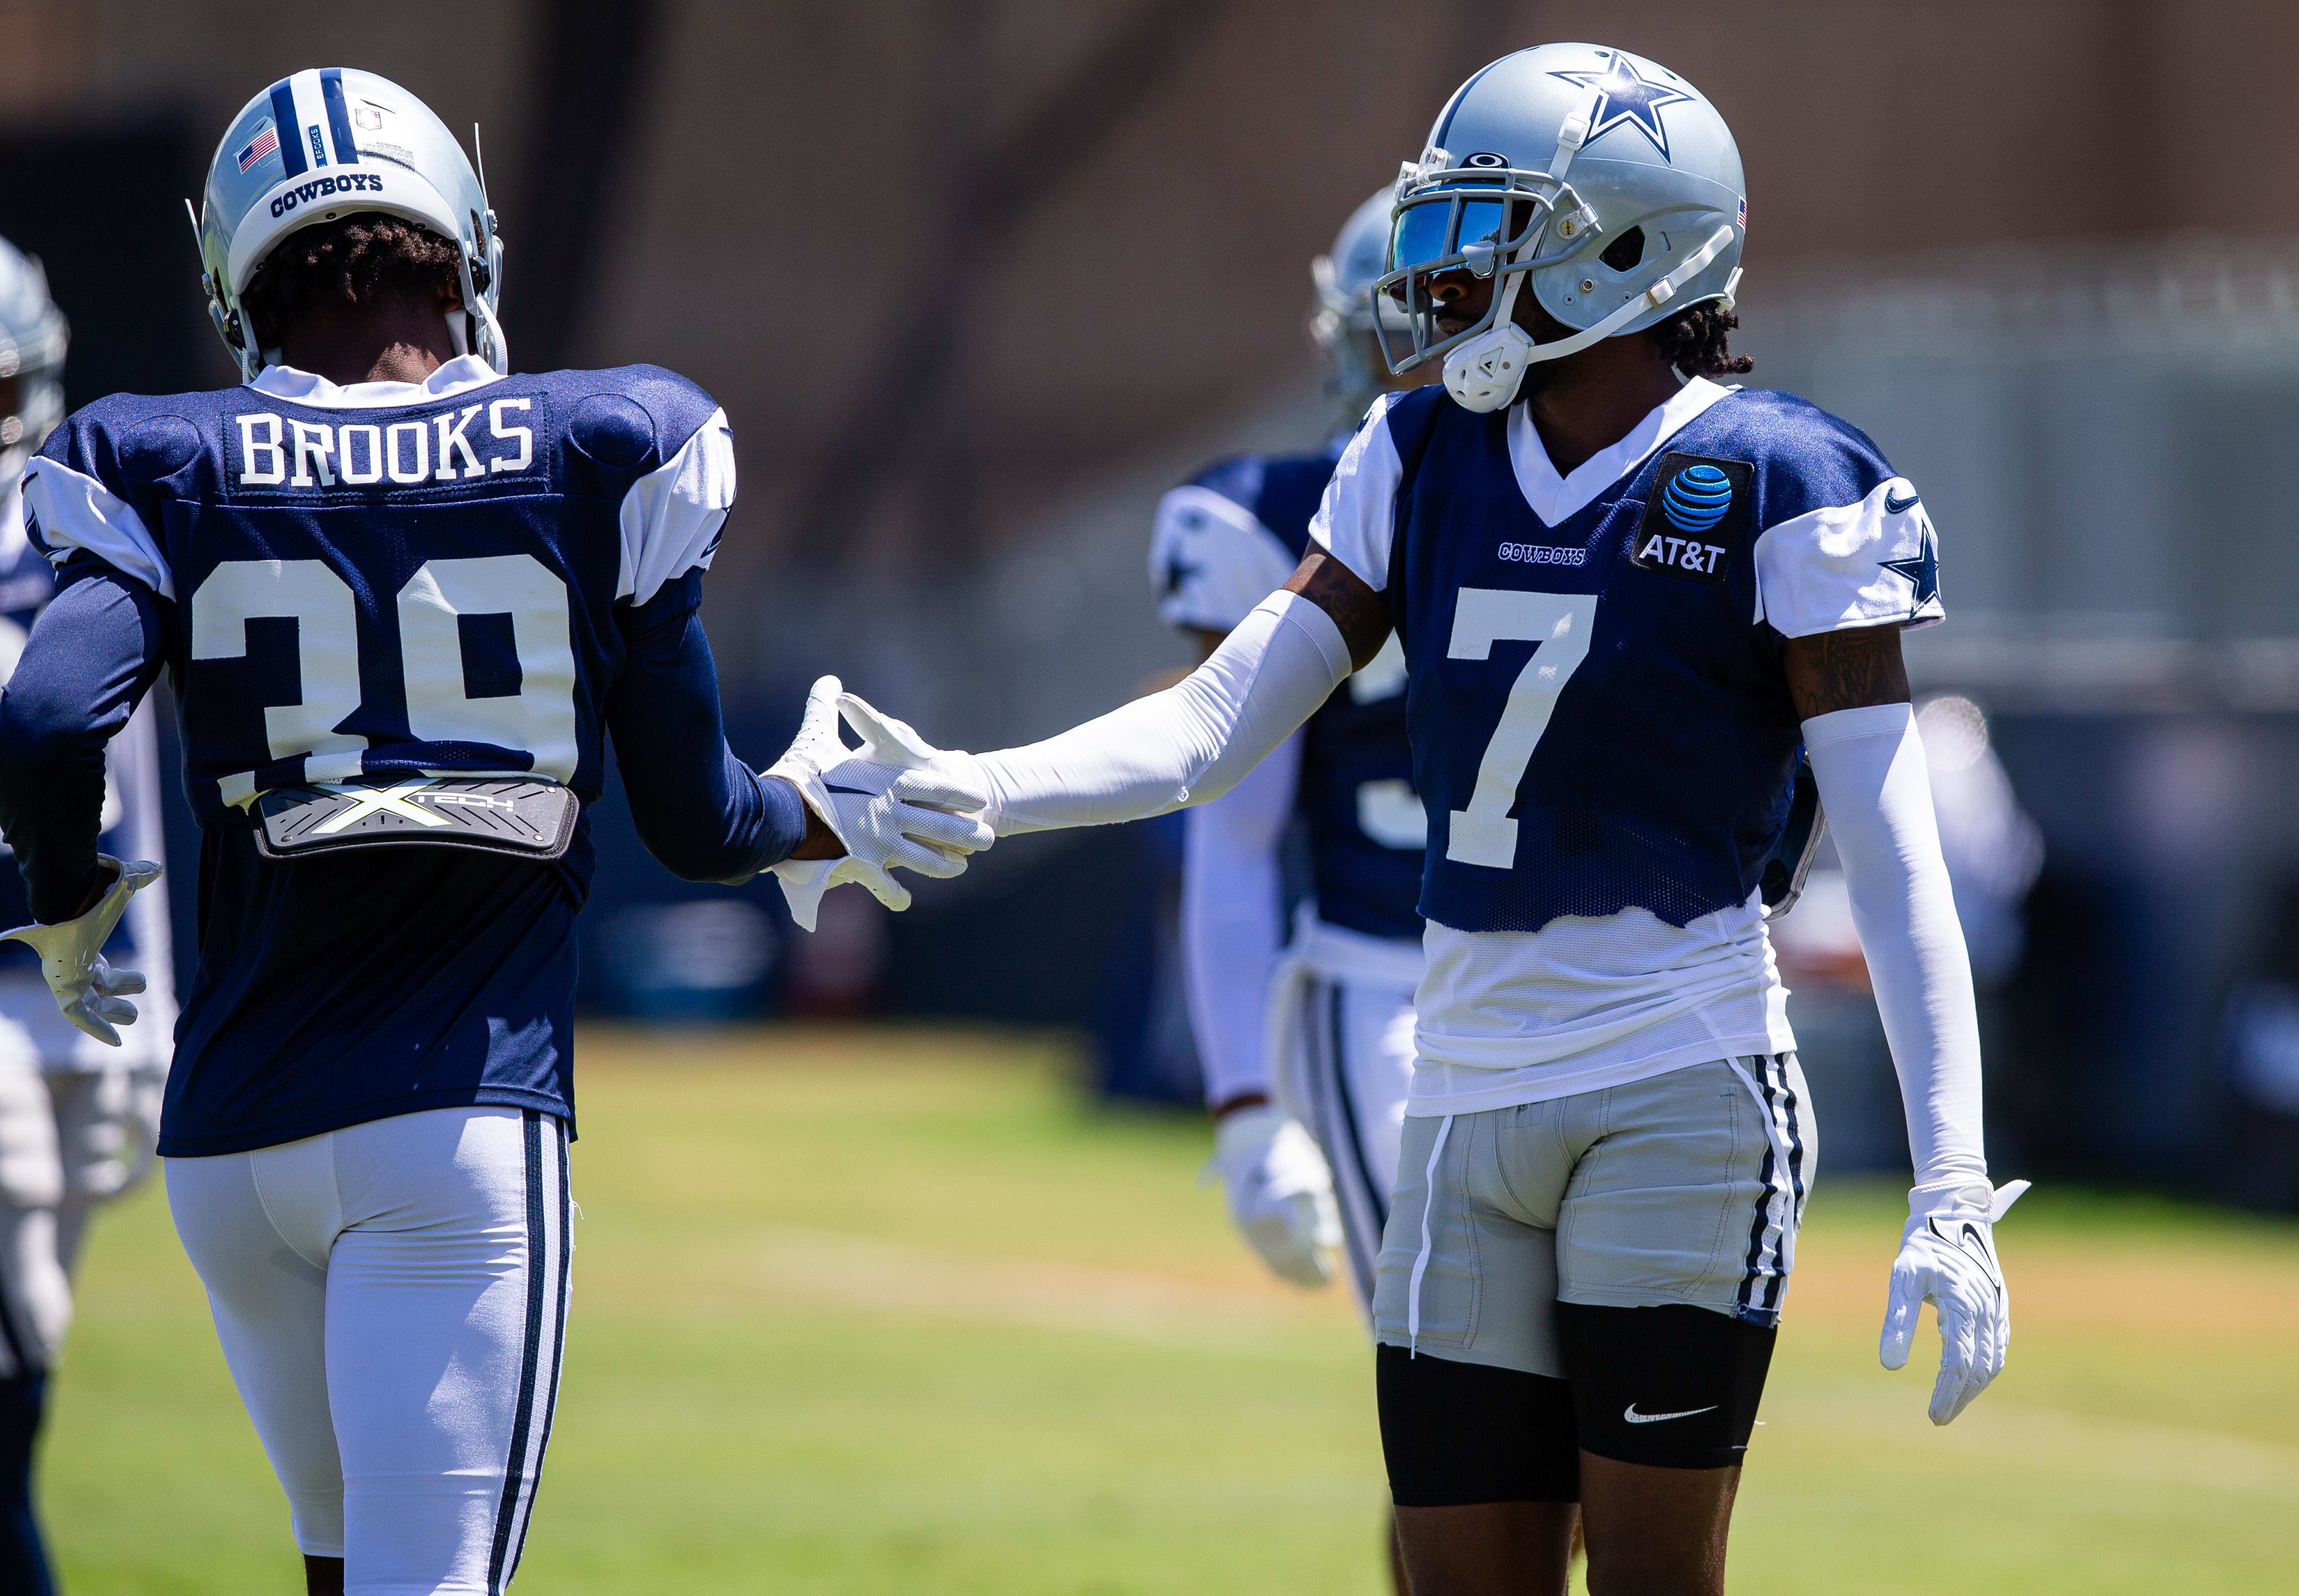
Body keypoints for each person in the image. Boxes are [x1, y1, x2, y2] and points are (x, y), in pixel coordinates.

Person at [827, 43, 2026, 1596]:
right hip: (1459, 1092)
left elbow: (1899, 861)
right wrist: (985, 784)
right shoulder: (1413, 453)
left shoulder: (1783, 477)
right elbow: (1213, 725)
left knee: (1653, 1579)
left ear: (1624, 250)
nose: (1444, 269)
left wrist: (1950, 1184)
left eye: (1495, 224)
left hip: (1677, 1076)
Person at [0, 69, 979, 1596]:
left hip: (234, 1141)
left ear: (243, 277)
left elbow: (51, 721)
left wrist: (68, 901)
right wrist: (812, 815)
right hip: (453, 1121)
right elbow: (697, 819)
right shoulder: (604, 441)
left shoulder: (165, 456)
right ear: (460, 240)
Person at [1150, 187, 1435, 1589]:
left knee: (1596, 1429)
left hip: (1582, 992)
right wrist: (1247, 1104)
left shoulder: (1613, 495)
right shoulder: (1274, 514)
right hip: (1383, 991)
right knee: (1481, 1427)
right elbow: (1235, 831)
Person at [0, 235, 178, 1596]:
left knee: (29, 1355)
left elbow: (134, 792)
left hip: (70, 998)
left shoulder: (77, 532)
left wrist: (153, 1010)